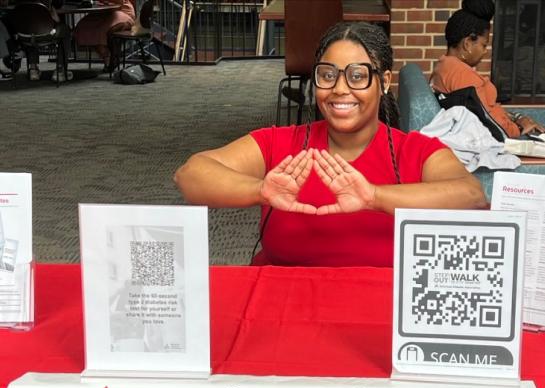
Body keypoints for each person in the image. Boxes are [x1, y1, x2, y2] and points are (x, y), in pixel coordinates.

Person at [174, 22, 486, 267]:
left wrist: (374, 197)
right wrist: (259, 191)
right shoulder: (282, 143)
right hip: (282, 307)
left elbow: (472, 196)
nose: (339, 89)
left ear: (385, 81)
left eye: (357, 76)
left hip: (379, 316)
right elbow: (190, 174)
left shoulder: (415, 151)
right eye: (327, 75)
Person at [430, 0, 545, 138]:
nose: (485, 51)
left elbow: (486, 111)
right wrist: (520, 128)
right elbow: (496, 129)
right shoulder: (464, 77)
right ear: (467, 44)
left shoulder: (443, 66)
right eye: (484, 45)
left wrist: (518, 118)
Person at [73, 0, 135, 70]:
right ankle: (105, 53)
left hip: (122, 10)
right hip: (103, 12)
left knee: (103, 29)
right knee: (83, 25)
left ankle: (110, 57)